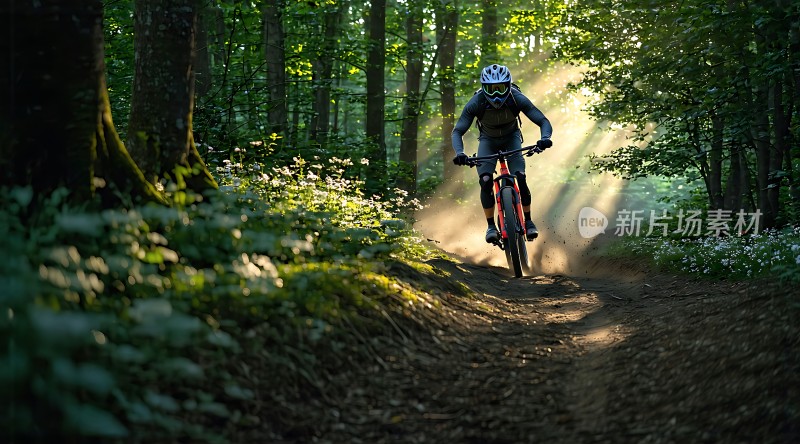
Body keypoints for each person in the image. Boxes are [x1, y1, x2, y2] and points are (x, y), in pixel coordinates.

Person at [452, 64, 553, 244]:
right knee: (485, 180)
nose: (497, 94)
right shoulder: (477, 102)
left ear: (508, 85)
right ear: (484, 88)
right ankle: (491, 226)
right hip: (488, 142)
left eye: (501, 88)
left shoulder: (516, 98)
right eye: (492, 89)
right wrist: (460, 153)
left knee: (520, 177)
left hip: (512, 138)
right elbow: (457, 131)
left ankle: (528, 221)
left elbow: (542, 120)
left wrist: (544, 138)